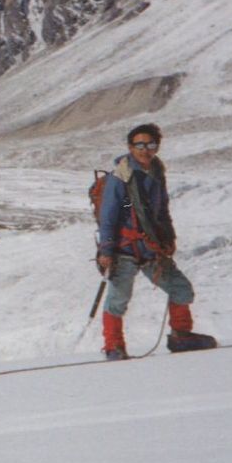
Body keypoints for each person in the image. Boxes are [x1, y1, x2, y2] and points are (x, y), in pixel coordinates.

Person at [94, 123, 215, 360]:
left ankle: (181, 335)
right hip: (125, 249)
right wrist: (106, 250)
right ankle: (113, 346)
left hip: (151, 248)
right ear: (130, 147)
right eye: (139, 145)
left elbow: (161, 211)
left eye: (150, 145)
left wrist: (168, 237)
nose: (145, 149)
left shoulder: (156, 172)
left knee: (181, 289)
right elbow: (109, 216)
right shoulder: (122, 177)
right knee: (118, 299)